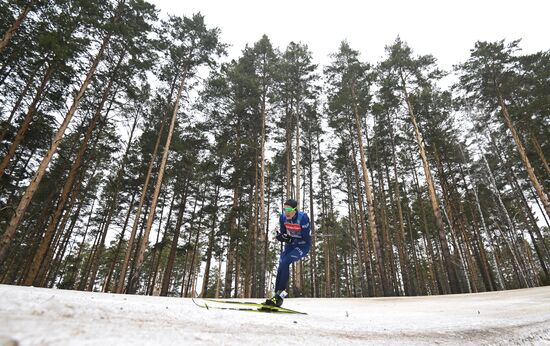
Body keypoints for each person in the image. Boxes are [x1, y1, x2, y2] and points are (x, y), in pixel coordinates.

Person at [264, 198, 311, 307]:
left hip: (302, 246)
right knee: (281, 263)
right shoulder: (283, 218)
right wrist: (281, 237)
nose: (287, 212)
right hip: (291, 245)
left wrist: (291, 239)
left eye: (289, 209)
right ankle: (276, 296)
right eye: (285, 209)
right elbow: (284, 233)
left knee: (285, 262)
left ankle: (280, 297)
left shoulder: (302, 218)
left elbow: (306, 239)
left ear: (295, 210)